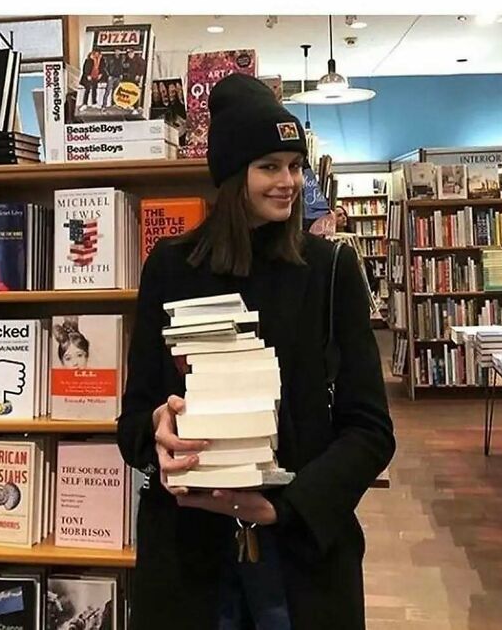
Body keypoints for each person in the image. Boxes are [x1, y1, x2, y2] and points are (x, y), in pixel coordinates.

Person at [117, 73, 395, 630]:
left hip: (302, 556)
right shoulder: (172, 268)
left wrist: (285, 510)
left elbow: (370, 429)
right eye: (270, 166)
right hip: (189, 558)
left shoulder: (331, 270)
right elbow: (134, 420)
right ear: (231, 174)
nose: (288, 181)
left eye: (295, 165)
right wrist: (157, 433)